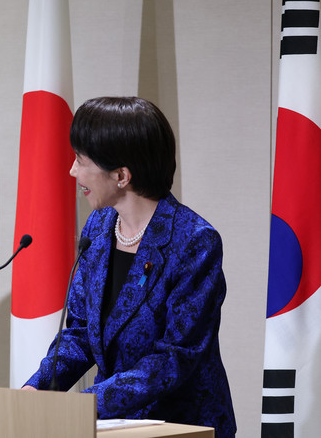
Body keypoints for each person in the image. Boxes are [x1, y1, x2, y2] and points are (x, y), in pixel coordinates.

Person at [22, 97, 236, 437]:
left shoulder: (195, 242)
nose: (73, 171)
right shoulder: (98, 227)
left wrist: (84, 403)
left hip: (181, 426)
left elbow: (174, 357)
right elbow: (80, 333)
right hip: (113, 424)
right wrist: (37, 389)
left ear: (121, 175)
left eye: (81, 160)